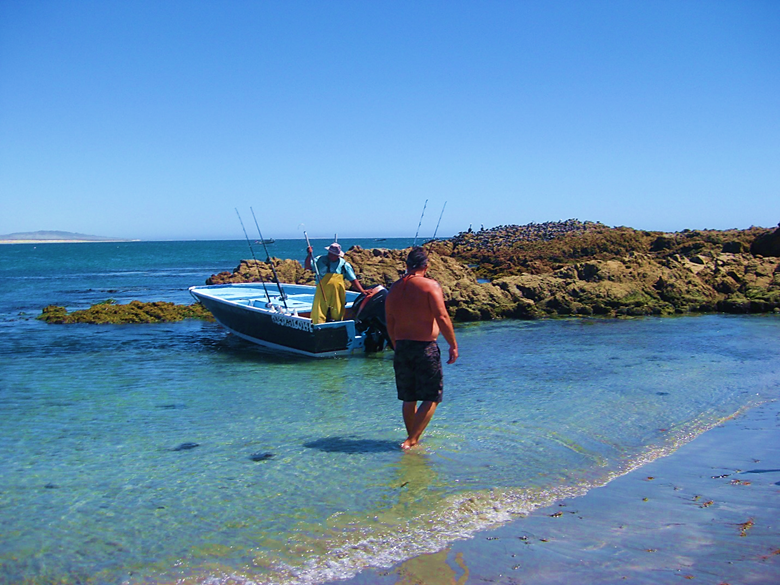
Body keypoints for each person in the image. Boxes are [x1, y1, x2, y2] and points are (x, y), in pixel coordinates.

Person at [385, 247, 458, 450]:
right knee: (432, 396)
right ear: (426, 266)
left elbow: (389, 320)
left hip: (402, 347)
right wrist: (453, 344)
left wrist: (395, 343)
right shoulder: (430, 286)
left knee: (409, 397)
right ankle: (411, 440)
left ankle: (411, 439)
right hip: (425, 348)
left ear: (407, 265)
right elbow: (442, 317)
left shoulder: (394, 288)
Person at [305, 242, 370, 324]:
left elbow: (353, 279)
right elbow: (308, 267)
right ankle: (318, 325)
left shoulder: (344, 264)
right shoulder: (320, 260)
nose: (331, 255)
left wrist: (362, 291)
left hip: (338, 291)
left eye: (334, 254)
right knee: (319, 309)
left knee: (338, 309)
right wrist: (309, 255)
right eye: (330, 253)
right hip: (322, 290)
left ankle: (337, 324)